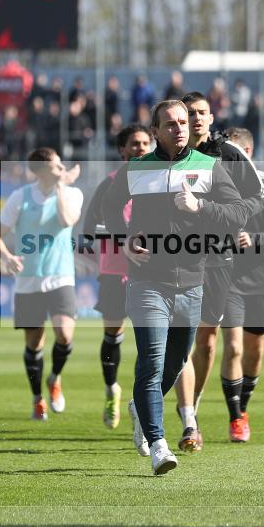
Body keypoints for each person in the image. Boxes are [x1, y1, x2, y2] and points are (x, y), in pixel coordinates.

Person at [103, 99, 248, 475]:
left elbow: (238, 214)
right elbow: (108, 208)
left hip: (192, 283)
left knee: (176, 362)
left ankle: (139, 407)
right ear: (155, 131)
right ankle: (159, 446)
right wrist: (124, 238)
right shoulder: (136, 169)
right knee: (151, 365)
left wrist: (200, 207)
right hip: (148, 282)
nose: (180, 128)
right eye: (170, 123)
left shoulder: (209, 167)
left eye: (183, 121)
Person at [174, 93, 264, 453]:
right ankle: (187, 420)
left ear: (211, 118)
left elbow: (258, 195)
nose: (195, 119)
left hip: (218, 259)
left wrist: (228, 216)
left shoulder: (227, 153)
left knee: (207, 341)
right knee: (178, 339)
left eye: (200, 113)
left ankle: (191, 410)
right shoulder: (167, 152)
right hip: (174, 257)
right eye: (188, 114)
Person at [0, 148, 82, 421]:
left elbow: (67, 220)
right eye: (56, 166)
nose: (62, 168)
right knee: (34, 344)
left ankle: (54, 379)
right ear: (42, 170)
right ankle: (37, 399)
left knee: (65, 335)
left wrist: (59, 188)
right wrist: (8, 258)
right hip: (28, 281)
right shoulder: (20, 197)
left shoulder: (72, 193)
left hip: (61, 276)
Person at [219, 127, 264, 441]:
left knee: (254, 351)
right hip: (225, 279)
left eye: (235, 154)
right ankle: (235, 418)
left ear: (247, 153)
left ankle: (243, 406)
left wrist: (256, 240)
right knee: (233, 347)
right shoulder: (213, 185)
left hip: (260, 281)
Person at [82, 124, 151, 429]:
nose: (141, 148)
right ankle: (112, 390)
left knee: (149, 340)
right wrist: (120, 239)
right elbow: (87, 229)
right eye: (134, 144)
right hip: (114, 272)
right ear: (122, 150)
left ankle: (141, 403)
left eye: (145, 143)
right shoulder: (108, 184)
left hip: (150, 272)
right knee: (112, 335)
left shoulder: (159, 184)